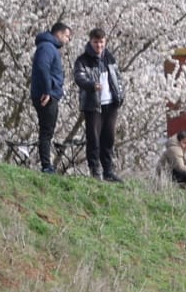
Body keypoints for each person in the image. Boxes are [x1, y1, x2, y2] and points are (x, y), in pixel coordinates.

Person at [72, 27, 124, 181]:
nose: (99, 46)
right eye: (95, 42)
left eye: (101, 42)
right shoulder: (83, 60)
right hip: (93, 104)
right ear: (90, 42)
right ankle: (95, 170)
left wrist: (120, 95)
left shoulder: (110, 58)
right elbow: (79, 77)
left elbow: (118, 78)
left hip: (111, 103)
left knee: (109, 138)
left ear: (105, 41)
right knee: (93, 138)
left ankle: (108, 170)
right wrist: (91, 85)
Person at [30, 22, 70, 173]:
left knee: (47, 130)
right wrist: (47, 90)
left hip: (50, 93)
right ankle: (46, 165)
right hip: (47, 95)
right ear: (58, 34)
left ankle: (47, 164)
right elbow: (42, 67)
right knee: (46, 131)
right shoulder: (47, 47)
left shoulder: (48, 47)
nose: (67, 40)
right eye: (67, 36)